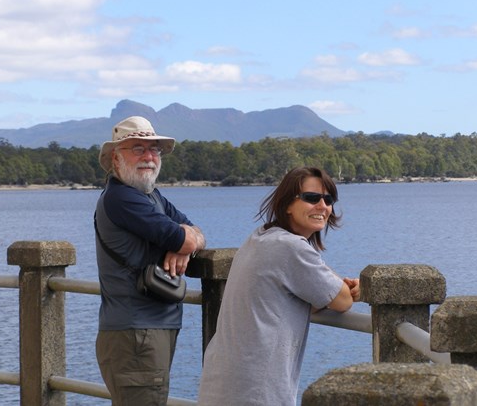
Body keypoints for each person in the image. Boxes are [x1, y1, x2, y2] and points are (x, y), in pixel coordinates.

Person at [197, 166, 360, 406]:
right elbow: (342, 300)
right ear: (287, 205)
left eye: (328, 199)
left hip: (223, 382)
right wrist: (357, 287)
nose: (322, 206)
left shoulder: (260, 236)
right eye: (311, 198)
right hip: (256, 391)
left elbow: (287, 296)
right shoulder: (291, 248)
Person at [94, 115, 206, 406]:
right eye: (138, 149)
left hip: (147, 331)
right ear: (116, 158)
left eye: (154, 149)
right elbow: (187, 236)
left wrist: (181, 244)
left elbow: (197, 234)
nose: (149, 157)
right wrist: (183, 241)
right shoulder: (121, 198)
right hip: (136, 335)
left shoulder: (151, 196)